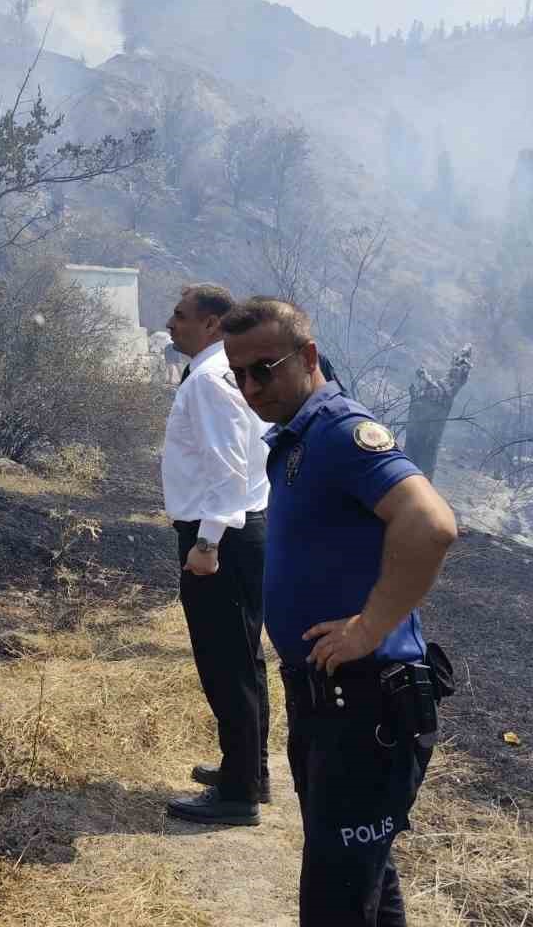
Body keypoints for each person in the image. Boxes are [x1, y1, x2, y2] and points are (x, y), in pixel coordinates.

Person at [220, 297, 457, 927]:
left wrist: (369, 625)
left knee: (334, 898)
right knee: (365, 876)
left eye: (262, 370)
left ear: (309, 357)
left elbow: (430, 524)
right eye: (235, 374)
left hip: (367, 703)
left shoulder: (340, 432)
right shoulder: (300, 434)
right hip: (329, 700)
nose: (249, 387)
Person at [159, 284, 273, 828]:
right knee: (243, 659)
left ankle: (237, 793)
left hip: (221, 536)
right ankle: (249, 770)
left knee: (225, 664)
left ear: (210, 324)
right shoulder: (221, 374)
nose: (169, 323)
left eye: (180, 316)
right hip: (240, 527)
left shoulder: (209, 379)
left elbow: (227, 467)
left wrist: (207, 543)